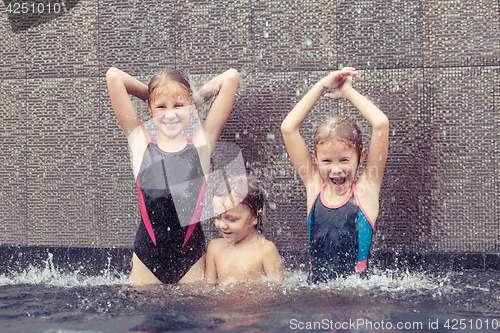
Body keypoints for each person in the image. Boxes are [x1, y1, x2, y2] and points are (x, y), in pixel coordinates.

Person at [106, 66, 240, 285]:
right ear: (149, 107)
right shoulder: (141, 144)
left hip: (190, 260)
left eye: (178, 105)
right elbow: (113, 76)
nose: (170, 114)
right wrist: (155, 93)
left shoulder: (201, 146)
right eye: (161, 106)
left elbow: (231, 78)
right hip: (147, 261)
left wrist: (192, 101)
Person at [281, 67, 389, 283]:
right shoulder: (314, 185)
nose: (336, 169)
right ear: (316, 158)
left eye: (344, 160)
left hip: (357, 294)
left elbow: (381, 123)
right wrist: (321, 86)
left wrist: (348, 92)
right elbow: (288, 128)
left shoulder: (366, 189)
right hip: (316, 291)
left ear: (361, 156)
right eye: (327, 161)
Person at [205, 176, 284, 284]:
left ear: (255, 217)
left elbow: (278, 289)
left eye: (231, 219)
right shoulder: (214, 248)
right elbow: (209, 288)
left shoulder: (266, 250)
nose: (222, 225)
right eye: (218, 217)